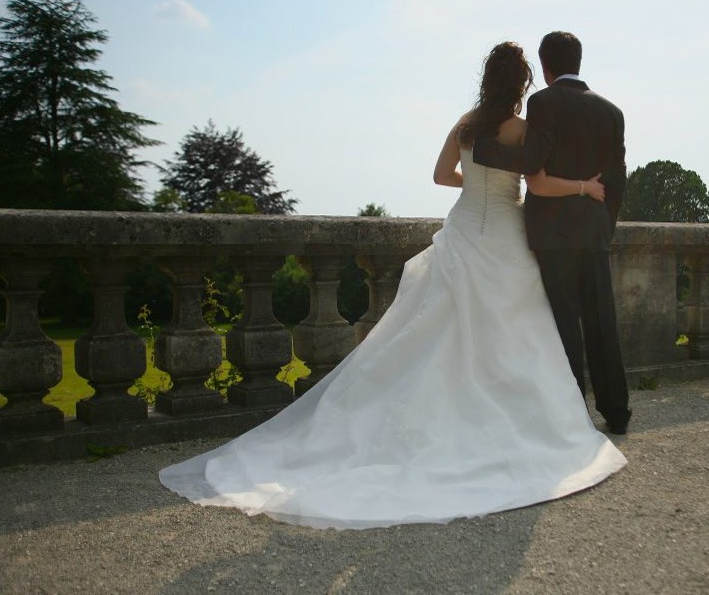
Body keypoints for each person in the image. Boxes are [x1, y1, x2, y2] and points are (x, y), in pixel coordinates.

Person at [159, 42, 626, 530]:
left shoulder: (464, 126)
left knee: (437, 331)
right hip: (506, 233)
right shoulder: (523, 129)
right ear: (522, 84)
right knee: (517, 327)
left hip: (466, 227)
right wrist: (570, 188)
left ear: (486, 79)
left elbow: (441, 175)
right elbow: (536, 180)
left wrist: (474, 183)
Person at [473, 31, 632, 434]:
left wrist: (484, 150)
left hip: (552, 234)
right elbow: (618, 179)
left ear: (545, 67)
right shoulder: (612, 112)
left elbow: (532, 160)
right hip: (595, 232)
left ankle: (573, 410)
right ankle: (616, 412)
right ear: (578, 62)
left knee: (563, 323)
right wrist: (604, 226)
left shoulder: (542, 102)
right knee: (602, 324)